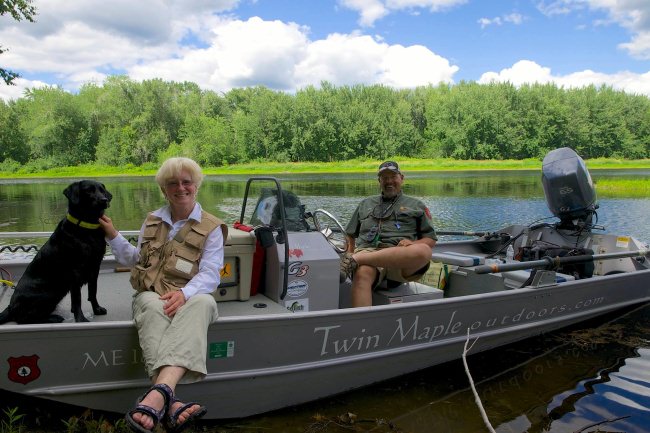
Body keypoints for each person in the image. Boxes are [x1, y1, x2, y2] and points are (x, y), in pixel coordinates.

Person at [99, 157, 227, 433]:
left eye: (186, 182)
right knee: (151, 304)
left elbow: (210, 274)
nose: (180, 188)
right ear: (164, 189)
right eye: (172, 183)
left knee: (204, 301)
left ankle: (157, 395)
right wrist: (112, 234)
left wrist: (184, 293)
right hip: (152, 294)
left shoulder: (212, 228)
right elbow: (136, 259)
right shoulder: (153, 221)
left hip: (191, 296)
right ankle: (171, 402)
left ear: (196, 185)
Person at [341, 161, 437, 307]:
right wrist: (349, 252)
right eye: (384, 178)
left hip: (400, 257)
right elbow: (350, 234)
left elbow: (430, 239)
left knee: (423, 251)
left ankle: (357, 259)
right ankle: (361, 326)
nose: (389, 181)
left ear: (401, 178)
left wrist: (413, 244)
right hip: (369, 253)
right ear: (379, 181)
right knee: (362, 274)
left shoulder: (417, 205)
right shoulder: (365, 203)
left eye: (393, 176)